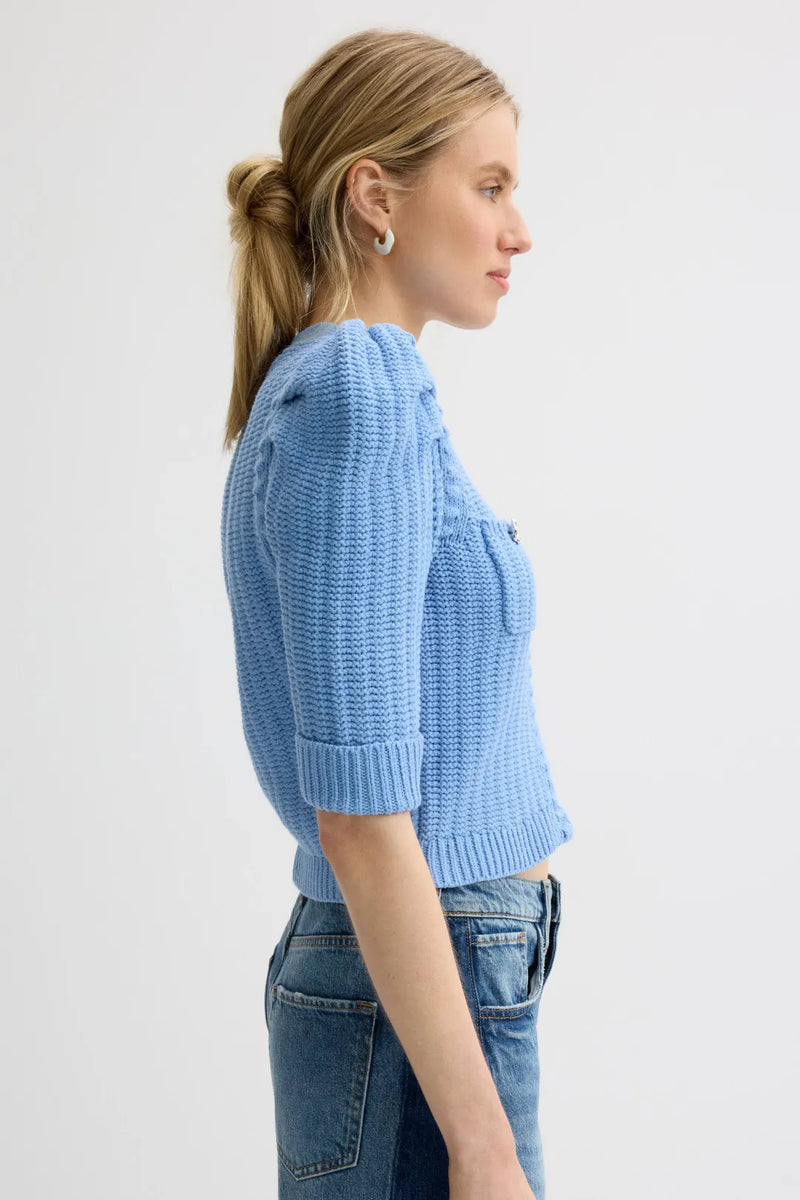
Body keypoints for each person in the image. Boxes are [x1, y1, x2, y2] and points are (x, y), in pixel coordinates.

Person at [220, 27, 574, 1200]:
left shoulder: (352, 388)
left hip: (423, 979)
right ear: (375, 196)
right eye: (489, 187)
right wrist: (482, 1147)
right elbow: (361, 819)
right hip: (420, 987)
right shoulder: (356, 395)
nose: (517, 230)